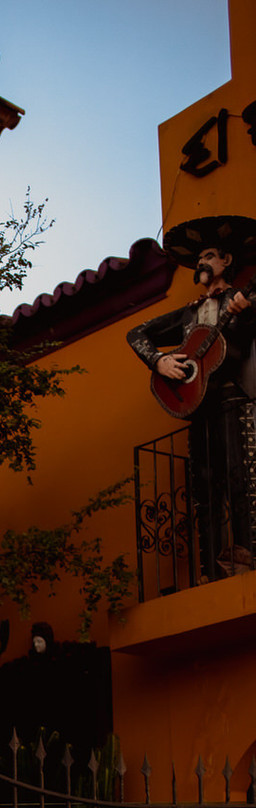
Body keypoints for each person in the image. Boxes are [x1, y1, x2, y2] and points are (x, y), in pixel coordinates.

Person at [127, 214, 256, 582]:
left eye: (210, 255)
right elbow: (137, 332)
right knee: (204, 489)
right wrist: (159, 360)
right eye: (199, 256)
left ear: (227, 262)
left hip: (235, 400)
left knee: (241, 482)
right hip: (199, 408)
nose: (202, 262)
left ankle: (247, 560)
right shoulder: (188, 313)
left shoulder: (240, 298)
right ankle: (210, 570)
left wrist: (247, 311)